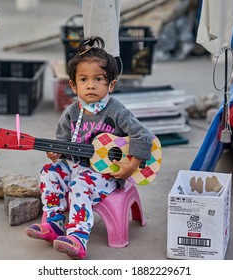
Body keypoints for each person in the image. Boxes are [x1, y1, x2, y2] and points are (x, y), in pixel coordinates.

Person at [25, 36, 153, 259]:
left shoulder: (116, 110)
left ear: (110, 84)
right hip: (76, 165)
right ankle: (53, 223)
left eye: (98, 79)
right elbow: (62, 144)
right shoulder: (71, 112)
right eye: (83, 79)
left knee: (81, 183)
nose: (91, 84)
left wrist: (131, 166)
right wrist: (56, 153)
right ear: (73, 85)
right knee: (48, 172)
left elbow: (143, 135)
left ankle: (78, 237)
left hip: (105, 173)